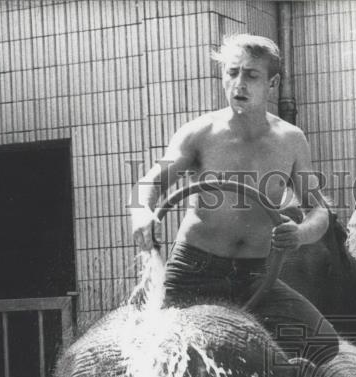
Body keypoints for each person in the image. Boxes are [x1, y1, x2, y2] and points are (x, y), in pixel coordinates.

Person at [129, 33, 339, 356]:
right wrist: (141, 212)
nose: (239, 83)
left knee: (323, 344)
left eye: (251, 75)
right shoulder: (200, 132)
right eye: (232, 72)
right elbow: (151, 183)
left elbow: (319, 212)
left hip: (255, 276)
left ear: (272, 84)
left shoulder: (292, 141)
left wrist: (300, 233)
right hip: (193, 273)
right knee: (153, 355)